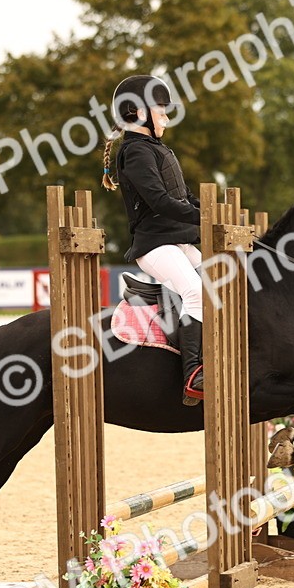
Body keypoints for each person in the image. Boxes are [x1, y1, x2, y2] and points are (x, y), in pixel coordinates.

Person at [102, 74, 205, 405]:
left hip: (178, 241)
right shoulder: (135, 152)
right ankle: (192, 374)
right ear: (138, 112)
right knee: (194, 290)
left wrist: (218, 215)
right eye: (161, 109)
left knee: (221, 282)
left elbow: (185, 198)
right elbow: (160, 202)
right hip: (156, 245)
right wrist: (204, 218)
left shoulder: (158, 149)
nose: (166, 116)